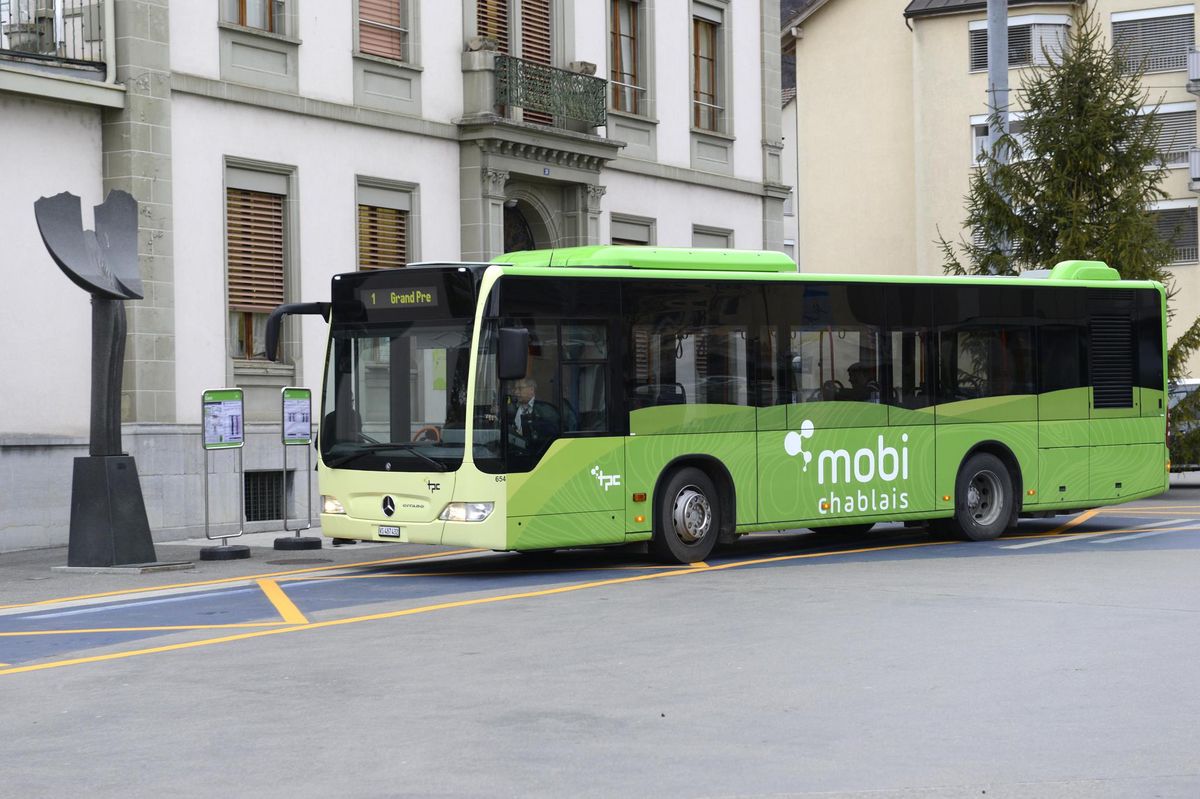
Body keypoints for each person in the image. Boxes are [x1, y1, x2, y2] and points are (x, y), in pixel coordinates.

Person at [507, 377, 559, 453]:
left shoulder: (544, 409)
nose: (516, 392)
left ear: (531, 389)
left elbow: (551, 434)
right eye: (515, 389)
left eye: (520, 388)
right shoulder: (512, 408)